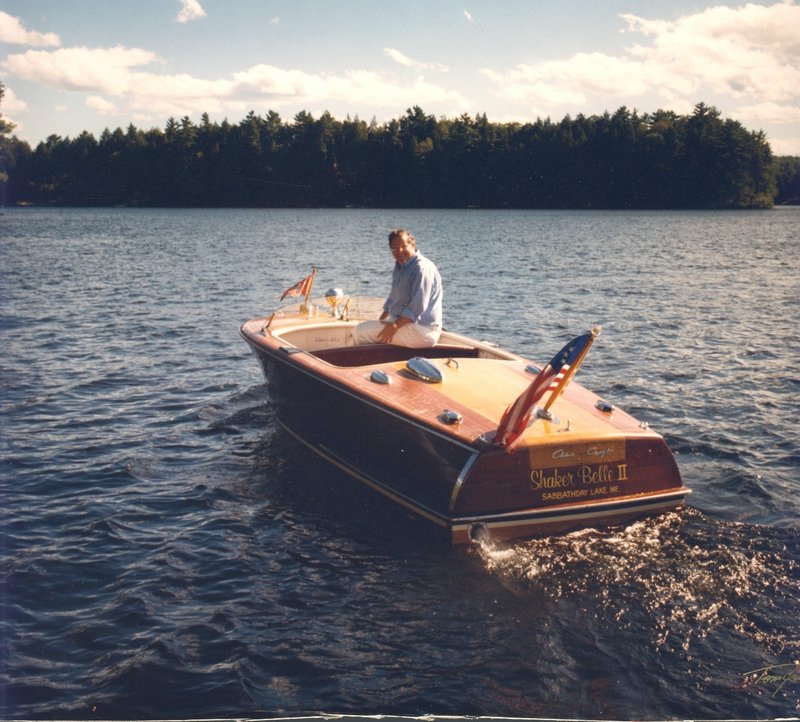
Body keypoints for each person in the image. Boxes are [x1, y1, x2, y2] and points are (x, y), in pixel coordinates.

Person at [353, 229, 443, 347]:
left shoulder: (421, 268)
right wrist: (380, 322)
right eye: (395, 248)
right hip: (406, 325)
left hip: (423, 330)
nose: (399, 251)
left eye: (403, 246)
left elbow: (417, 308)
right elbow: (392, 299)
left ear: (413, 245)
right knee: (369, 328)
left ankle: (359, 363)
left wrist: (393, 327)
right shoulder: (400, 266)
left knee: (360, 331)